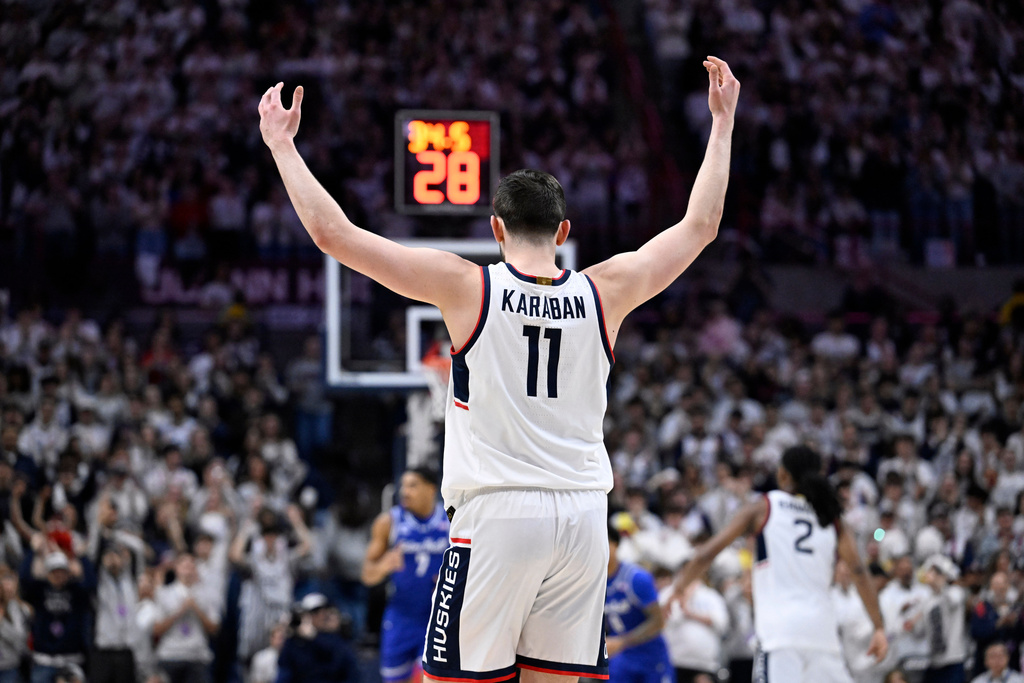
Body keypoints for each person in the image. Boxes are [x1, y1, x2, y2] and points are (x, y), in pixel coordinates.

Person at [259, 53, 739, 683]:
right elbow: (700, 225)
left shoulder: (467, 287)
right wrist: (723, 122)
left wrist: (282, 146)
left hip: (498, 514)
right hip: (584, 518)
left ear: (495, 228)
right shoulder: (607, 289)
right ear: (564, 230)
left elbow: (335, 235)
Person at [674, 445, 888, 682]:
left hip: (779, 635)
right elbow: (859, 571)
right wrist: (878, 627)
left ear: (783, 474)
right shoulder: (831, 516)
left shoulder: (765, 506)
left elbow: (706, 554)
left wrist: (679, 588)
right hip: (823, 634)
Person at [361, 468, 448, 683]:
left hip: (436, 618)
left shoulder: (450, 518)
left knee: (427, 678)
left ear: (431, 489)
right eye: (403, 486)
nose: (405, 491)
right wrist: (384, 566)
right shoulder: (388, 522)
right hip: (400, 617)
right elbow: (367, 575)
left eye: (412, 485)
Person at [605, 525, 674, 683]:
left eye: (606, 543)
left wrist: (623, 641)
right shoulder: (594, 581)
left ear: (615, 545)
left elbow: (659, 622)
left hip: (650, 656)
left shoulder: (636, 578)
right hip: (621, 658)